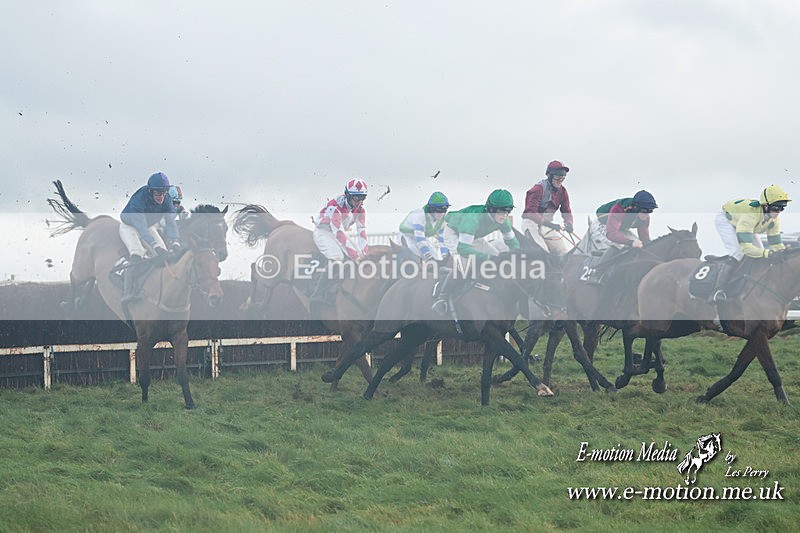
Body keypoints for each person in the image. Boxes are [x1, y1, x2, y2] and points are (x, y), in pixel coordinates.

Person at [432, 189, 519, 314]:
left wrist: (517, 258)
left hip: (473, 237)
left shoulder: (503, 221)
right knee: (465, 266)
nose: (504, 215)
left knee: (498, 259)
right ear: (491, 209)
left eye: (508, 211)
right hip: (453, 234)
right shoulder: (472, 219)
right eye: (501, 211)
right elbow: (463, 248)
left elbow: (513, 244)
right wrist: (487, 258)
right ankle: (441, 299)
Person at [119, 172, 180, 303]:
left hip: (149, 227)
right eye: (158, 193)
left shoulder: (167, 199)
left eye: (164, 192)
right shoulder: (139, 198)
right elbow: (140, 227)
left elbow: (171, 222)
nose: (161, 197)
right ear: (150, 191)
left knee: (164, 255)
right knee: (137, 253)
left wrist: (175, 241)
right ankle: (126, 292)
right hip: (130, 227)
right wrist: (154, 245)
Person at [715, 184, 791, 260]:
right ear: (765, 205)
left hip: (746, 223)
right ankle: (725, 267)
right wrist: (769, 254)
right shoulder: (750, 216)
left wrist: (784, 252)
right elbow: (746, 248)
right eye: (775, 207)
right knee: (738, 255)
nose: (779, 211)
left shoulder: (774, 221)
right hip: (726, 221)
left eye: (782, 208)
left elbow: (776, 245)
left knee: (760, 253)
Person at [584, 190, 658, 258]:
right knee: (619, 245)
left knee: (639, 245)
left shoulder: (645, 217)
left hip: (619, 228)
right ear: (636, 207)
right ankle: (600, 267)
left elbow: (644, 239)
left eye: (650, 211)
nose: (647, 215)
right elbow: (611, 234)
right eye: (645, 211)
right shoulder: (619, 209)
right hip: (602, 224)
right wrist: (630, 242)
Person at [521, 160, 575, 255]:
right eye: (557, 178)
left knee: (563, 252)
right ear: (549, 176)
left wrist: (569, 223)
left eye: (562, 178)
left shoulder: (563, 192)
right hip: (531, 224)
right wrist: (548, 223)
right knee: (543, 252)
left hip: (547, 226)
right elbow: (530, 212)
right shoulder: (538, 189)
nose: (560, 181)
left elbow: (566, 211)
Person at [312, 179, 369, 261]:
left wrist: (365, 255)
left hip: (338, 232)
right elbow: (339, 233)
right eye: (357, 198)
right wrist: (355, 257)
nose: (360, 202)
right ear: (348, 196)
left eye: (362, 198)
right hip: (324, 232)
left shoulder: (360, 210)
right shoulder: (334, 207)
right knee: (338, 257)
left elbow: (361, 230)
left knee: (361, 254)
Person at [393, 191, 451, 261]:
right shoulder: (420, 214)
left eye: (444, 210)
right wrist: (429, 257)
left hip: (422, 238)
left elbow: (442, 240)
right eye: (439, 210)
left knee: (435, 258)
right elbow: (420, 239)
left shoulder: (442, 221)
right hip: (406, 237)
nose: (442, 213)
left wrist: (445, 257)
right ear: (431, 209)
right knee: (415, 258)